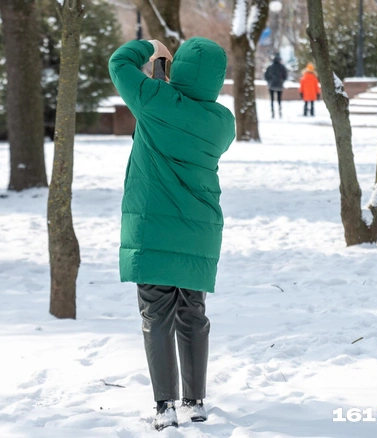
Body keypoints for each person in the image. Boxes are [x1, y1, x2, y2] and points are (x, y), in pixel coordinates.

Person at [108, 38, 235, 431]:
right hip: (198, 232)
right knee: (192, 314)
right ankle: (194, 402)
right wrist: (164, 79)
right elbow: (182, 110)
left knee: (155, 316)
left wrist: (151, 47)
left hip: (152, 228)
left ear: (177, 70)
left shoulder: (153, 103)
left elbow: (119, 63)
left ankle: (164, 406)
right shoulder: (222, 122)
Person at [264, 54, 288, 118]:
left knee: (272, 99)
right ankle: (279, 111)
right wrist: (282, 81)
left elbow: (266, 76)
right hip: (279, 85)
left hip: (271, 85)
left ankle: (272, 112)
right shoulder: (282, 67)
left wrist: (269, 81)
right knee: (279, 99)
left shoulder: (270, 67)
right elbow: (285, 75)